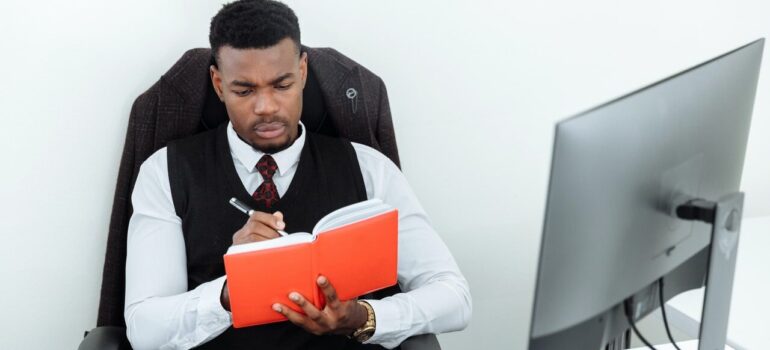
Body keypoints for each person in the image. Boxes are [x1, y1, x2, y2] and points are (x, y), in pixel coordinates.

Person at [123, 0, 471, 349]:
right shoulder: (165, 172)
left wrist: (364, 317)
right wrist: (232, 291)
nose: (266, 107)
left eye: (282, 85)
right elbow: (144, 330)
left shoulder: (370, 169)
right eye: (244, 90)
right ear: (218, 83)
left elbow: (453, 296)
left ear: (302, 71)